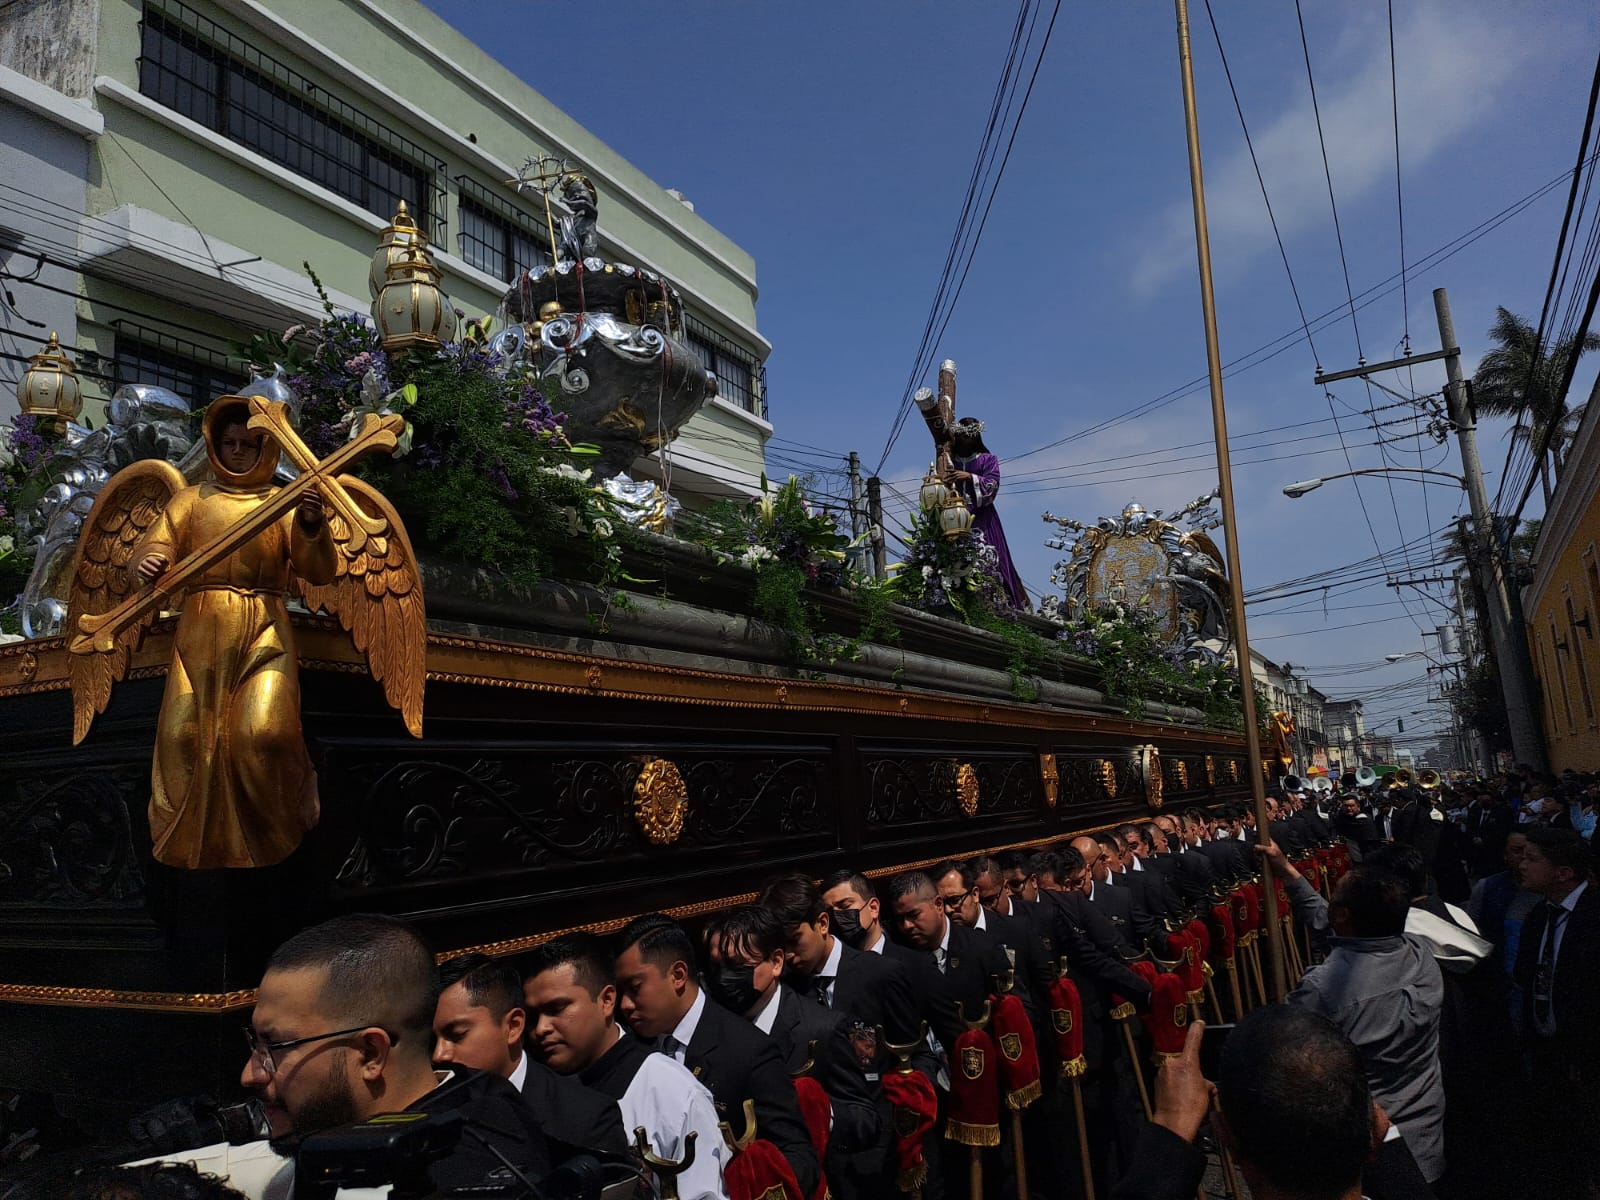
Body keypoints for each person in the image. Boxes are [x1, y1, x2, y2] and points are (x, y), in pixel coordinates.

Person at [132, 398, 336, 869]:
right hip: (200, 630)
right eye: (230, 443)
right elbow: (153, 548)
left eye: (250, 444)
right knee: (184, 739)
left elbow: (318, 571)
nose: (239, 452)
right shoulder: (191, 501)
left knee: (264, 731)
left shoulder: (280, 502)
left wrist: (309, 524)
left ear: (267, 449)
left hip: (264, 625)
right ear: (214, 445)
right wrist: (145, 561)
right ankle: (188, 841)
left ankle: (283, 818)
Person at [231, 915, 553, 1197]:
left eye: (276, 1047)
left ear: (371, 1054)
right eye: (255, 1044)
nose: (251, 1074)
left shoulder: (455, 1178)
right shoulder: (464, 1094)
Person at [1260, 843, 1446, 1185]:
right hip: (1426, 1129)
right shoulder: (1419, 952)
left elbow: (1281, 1054)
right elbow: (1334, 924)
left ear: (1343, 915)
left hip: (1369, 1142)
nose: (1329, 902)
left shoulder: (1324, 989)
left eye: (1335, 897)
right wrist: (1287, 871)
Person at [614, 914, 820, 1196]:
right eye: (620, 992)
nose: (625, 1005)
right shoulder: (633, 1049)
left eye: (635, 989)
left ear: (677, 975)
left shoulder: (749, 1051)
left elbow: (799, 1157)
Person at [521, 933, 728, 1200]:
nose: (541, 1028)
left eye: (557, 1008)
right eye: (534, 1015)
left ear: (607, 1000)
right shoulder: (535, 1094)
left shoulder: (674, 1093)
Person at [704, 905, 888, 1200]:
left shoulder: (824, 1028)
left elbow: (867, 1119)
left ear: (776, 962)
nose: (725, 978)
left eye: (738, 967)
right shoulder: (714, 1030)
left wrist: (822, 1111)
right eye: (717, 967)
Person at [432, 953, 626, 1159]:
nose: (439, 1055)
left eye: (457, 1035)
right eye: (432, 1041)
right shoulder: (434, 1117)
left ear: (513, 1027)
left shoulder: (588, 1119)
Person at [1512, 826, 1600, 1196]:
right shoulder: (1539, 915)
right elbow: (1526, 975)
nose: (1520, 864)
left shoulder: (1595, 917)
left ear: (1563, 872)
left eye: (1532, 859)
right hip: (1548, 1053)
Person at [942, 416, 1025, 609]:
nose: (965, 442)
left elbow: (992, 485)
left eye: (969, 438)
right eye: (961, 437)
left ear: (976, 438)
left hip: (982, 518)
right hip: (954, 518)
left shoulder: (988, 460)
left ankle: (1001, 602)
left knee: (991, 558)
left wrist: (969, 477)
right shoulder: (948, 460)